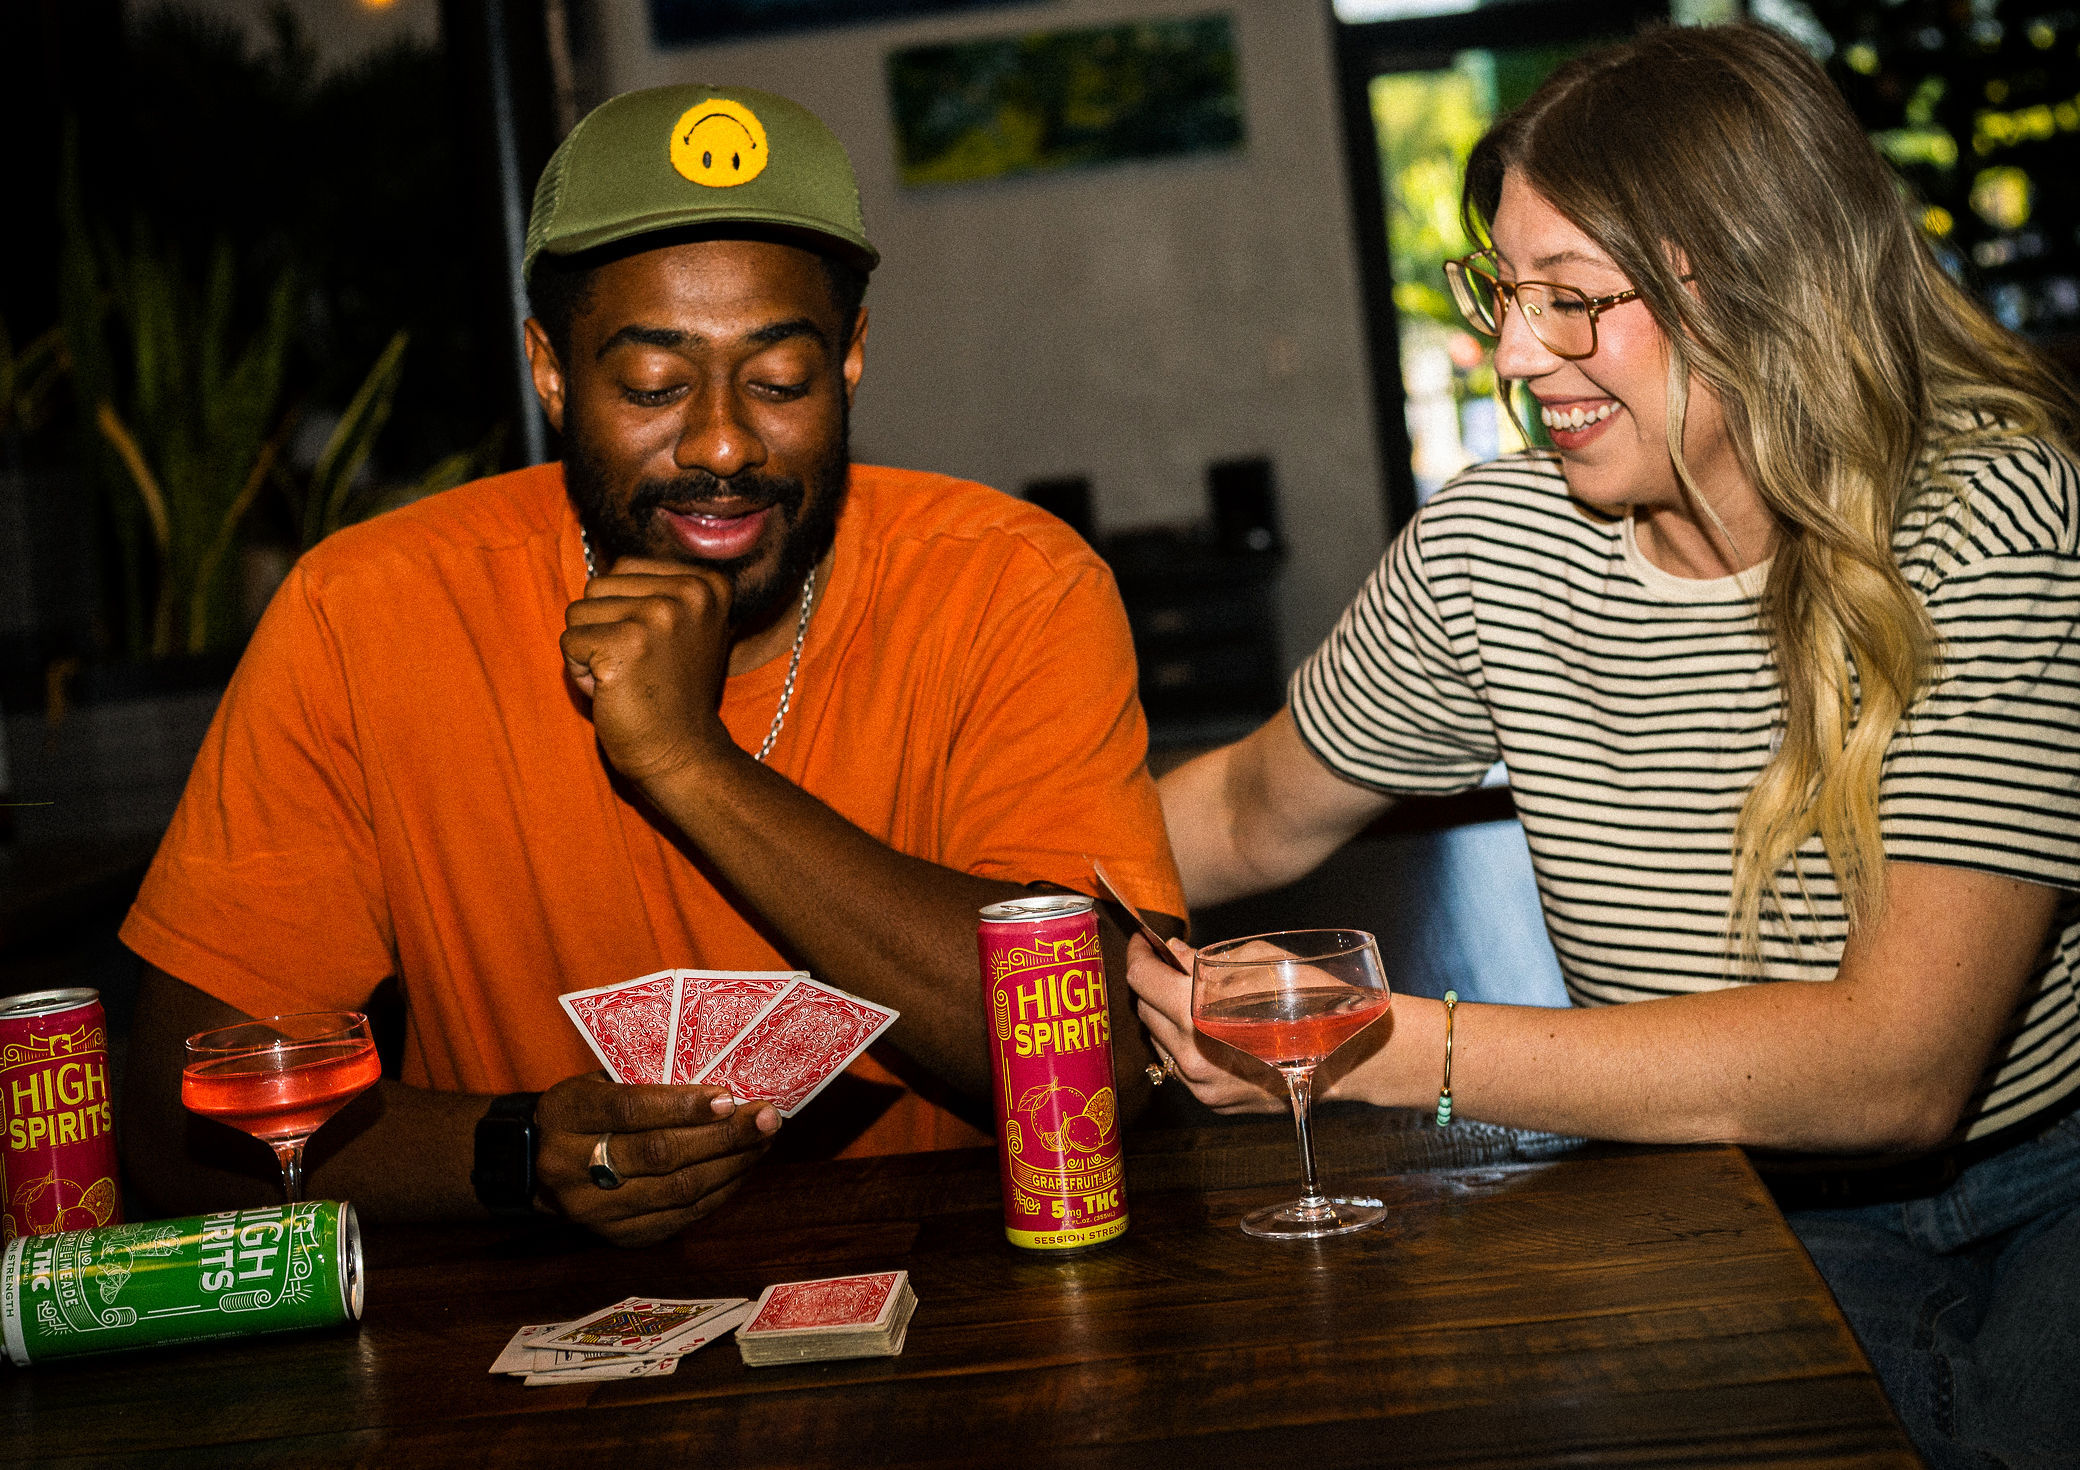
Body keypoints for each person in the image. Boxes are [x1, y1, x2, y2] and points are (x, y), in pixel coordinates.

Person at [1126, 25, 2079, 1469]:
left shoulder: (1989, 519)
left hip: (2049, 1179)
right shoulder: (1493, 552)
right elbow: (1248, 811)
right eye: (1505, 296)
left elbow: (1897, 1068)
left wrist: (1379, 1046)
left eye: (1571, 301)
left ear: (1757, 286)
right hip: (1718, 1187)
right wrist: (966, 895)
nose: (1515, 356)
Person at [120, 83, 1184, 1247]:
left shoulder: (1011, 586)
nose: (722, 441)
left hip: (962, 1300)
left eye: (779, 381)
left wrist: (687, 760)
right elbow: (174, 1126)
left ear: (851, 360)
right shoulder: (364, 613)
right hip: (508, 1327)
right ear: (551, 370)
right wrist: (517, 1151)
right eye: (652, 387)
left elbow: (1096, 1069)